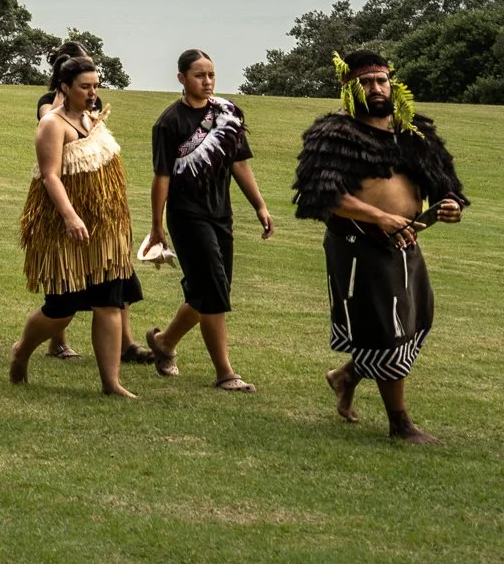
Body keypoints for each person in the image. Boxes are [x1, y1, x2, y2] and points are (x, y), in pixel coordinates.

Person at [293, 48, 468, 443]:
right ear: (349, 88)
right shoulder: (333, 134)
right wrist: (380, 217)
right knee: (387, 330)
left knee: (414, 320)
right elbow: (321, 195)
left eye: (381, 80)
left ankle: (346, 376)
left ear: (392, 83)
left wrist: (451, 203)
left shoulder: (412, 129)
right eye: (366, 82)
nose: (375, 88)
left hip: (406, 242)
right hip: (359, 245)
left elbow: (444, 182)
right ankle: (400, 424)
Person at [11, 55, 144, 398]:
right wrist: (70, 216)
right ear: (64, 87)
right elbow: (50, 175)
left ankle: (111, 383)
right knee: (61, 310)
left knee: (109, 302)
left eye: (95, 85)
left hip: (104, 228)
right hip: (63, 225)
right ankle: (21, 351)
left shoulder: (90, 117)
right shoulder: (52, 124)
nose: (92, 92)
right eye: (85, 86)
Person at [146, 49, 274, 390]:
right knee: (213, 290)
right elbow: (162, 178)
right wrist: (157, 227)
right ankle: (225, 372)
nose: (207, 81)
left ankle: (164, 343)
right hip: (187, 216)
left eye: (211, 75)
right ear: (182, 79)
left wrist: (259, 205)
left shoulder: (228, 113)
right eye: (199, 75)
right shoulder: (168, 123)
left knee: (210, 291)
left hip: (221, 214)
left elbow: (239, 163)